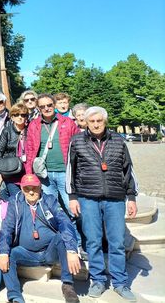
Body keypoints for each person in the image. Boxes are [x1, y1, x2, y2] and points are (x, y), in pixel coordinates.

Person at [67, 106, 138, 301]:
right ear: (86, 122)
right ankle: (97, 280)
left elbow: (128, 170)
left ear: (105, 121)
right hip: (88, 197)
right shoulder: (77, 142)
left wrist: (131, 197)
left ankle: (120, 282)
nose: (96, 124)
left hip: (115, 198)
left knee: (116, 242)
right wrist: (72, 197)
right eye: (92, 121)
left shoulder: (118, 141)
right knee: (93, 241)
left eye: (99, 121)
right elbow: (70, 172)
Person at [0, 174, 80, 303]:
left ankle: (68, 285)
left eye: (34, 188)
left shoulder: (49, 200)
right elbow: (7, 228)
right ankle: (15, 296)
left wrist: (72, 250)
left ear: (40, 187)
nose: (31, 192)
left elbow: (65, 223)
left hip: (49, 251)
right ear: (21, 189)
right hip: (26, 253)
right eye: (26, 188)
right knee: (8, 254)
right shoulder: (15, 202)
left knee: (61, 237)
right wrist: (3, 252)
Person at [25, 93, 80, 247]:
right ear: (38, 108)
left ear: (54, 105)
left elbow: (79, 146)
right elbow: (30, 151)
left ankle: (77, 243)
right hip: (45, 175)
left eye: (49, 105)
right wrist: (29, 174)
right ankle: (59, 243)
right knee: (51, 210)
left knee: (72, 210)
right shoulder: (34, 125)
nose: (46, 108)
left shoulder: (68, 122)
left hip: (65, 173)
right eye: (42, 106)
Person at [0, 103, 29, 200]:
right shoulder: (7, 131)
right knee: (17, 198)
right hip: (11, 170)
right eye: (16, 115)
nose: (20, 117)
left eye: (23, 115)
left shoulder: (30, 130)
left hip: (27, 171)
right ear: (12, 117)